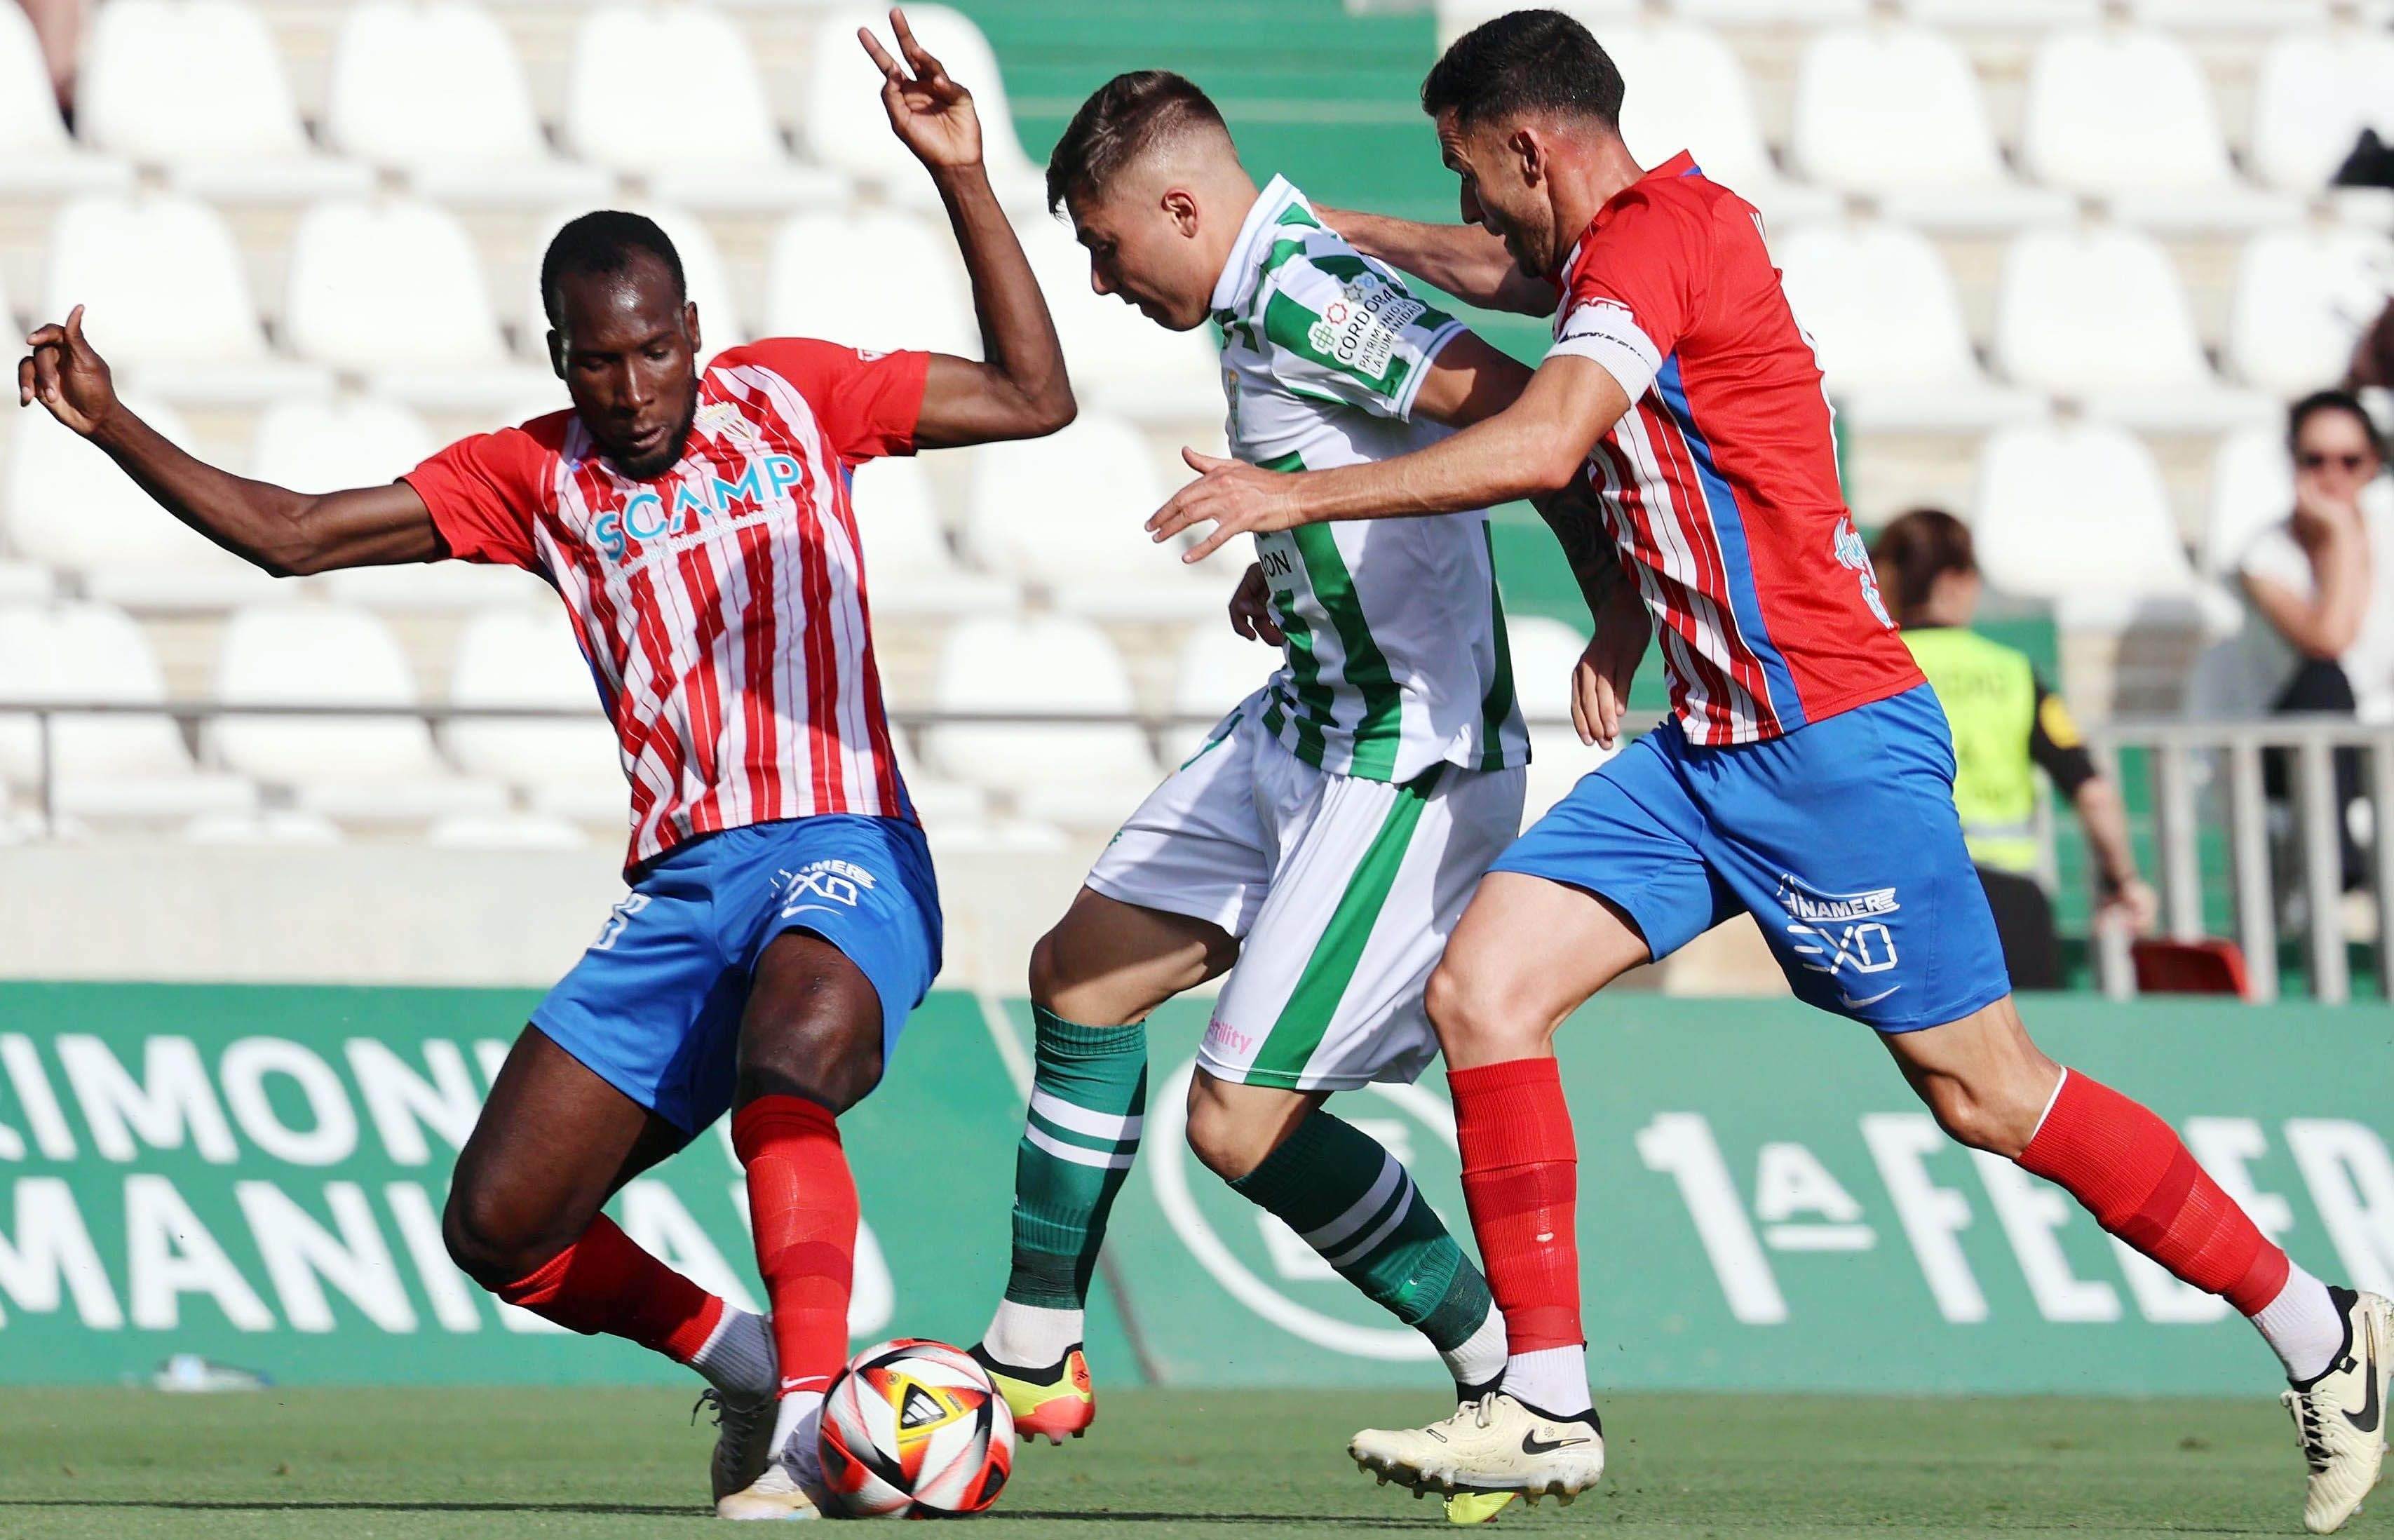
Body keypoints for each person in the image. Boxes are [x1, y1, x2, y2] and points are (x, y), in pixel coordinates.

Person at [1144, 11, 2390, 1530]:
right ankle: (1543, 1402)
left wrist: (1303, 494)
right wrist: (1323, 230)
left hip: (1832, 751)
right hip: (1705, 755)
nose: (1467, 209)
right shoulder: (1616, 248)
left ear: (1533, 149)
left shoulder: (1667, 240)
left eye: (1470, 175)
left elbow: (1548, 440)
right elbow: (1507, 276)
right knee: (1489, 990)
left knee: (1988, 1096)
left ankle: (2324, 1334)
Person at [17, 11, 1075, 1522]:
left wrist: (965, 175)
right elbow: (292, 535)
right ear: (558, 355)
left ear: (697, 329)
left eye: (656, 351)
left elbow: (1040, 400)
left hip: (844, 848)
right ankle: (753, 1355)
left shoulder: (801, 399)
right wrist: (115, 421)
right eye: (600, 363)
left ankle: (810, 1433)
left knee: (795, 1060)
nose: (635, 389)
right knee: (503, 1225)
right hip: (684, 890)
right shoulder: (535, 476)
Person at [967, 69, 1614, 1526]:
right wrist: (1302, 564)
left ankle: (1501, 1363)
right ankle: (1037, 1347)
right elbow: (1366, 465)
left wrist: (1616, 617)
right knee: (1078, 978)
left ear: (1182, 208)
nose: (1101, 277)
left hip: (1402, 761)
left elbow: (1536, 428)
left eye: (1107, 245)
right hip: (1304, 726)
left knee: (1238, 1127)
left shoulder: (1315, 290)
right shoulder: (1267, 296)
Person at [1869, 508, 2158, 987]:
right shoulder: (2013, 673)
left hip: (1904, 904)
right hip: (2008, 909)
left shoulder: (1876, 672)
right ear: (1958, 580)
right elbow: (2094, 794)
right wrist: (2124, 881)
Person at [2236, 391, 2394, 895]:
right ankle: (2342, 879)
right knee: (2326, 684)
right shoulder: (2263, 556)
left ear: (2373, 464)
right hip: (2288, 745)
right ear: (2293, 463)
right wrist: (2344, 537)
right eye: (2315, 460)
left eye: (2350, 461)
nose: (2333, 475)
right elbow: (2330, 641)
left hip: (2377, 737)